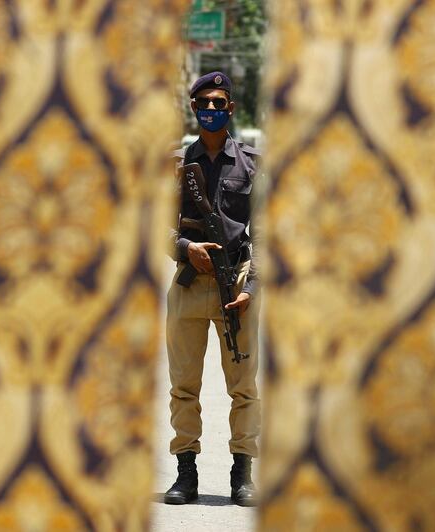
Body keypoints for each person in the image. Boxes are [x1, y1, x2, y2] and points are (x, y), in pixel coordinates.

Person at [164, 71, 261, 507]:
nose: (212, 109)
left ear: (231, 109)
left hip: (235, 285)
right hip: (189, 284)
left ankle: (243, 473)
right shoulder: (175, 166)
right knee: (184, 385)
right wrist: (186, 248)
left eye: (219, 102)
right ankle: (186, 473)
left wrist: (252, 285)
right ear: (193, 108)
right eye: (204, 102)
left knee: (243, 386)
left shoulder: (253, 164)